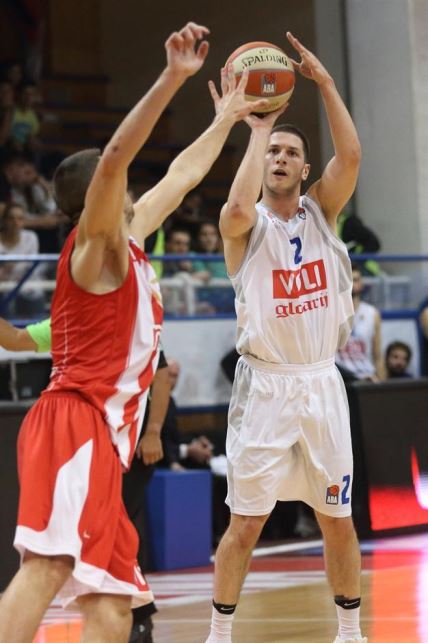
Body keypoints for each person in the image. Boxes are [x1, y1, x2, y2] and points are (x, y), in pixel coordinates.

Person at [0, 21, 268, 643]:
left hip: (99, 435)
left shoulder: (130, 237)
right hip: (75, 421)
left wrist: (229, 117)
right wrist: (173, 77)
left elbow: (180, 175)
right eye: (113, 181)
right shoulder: (94, 249)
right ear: (99, 192)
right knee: (47, 567)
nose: (126, 185)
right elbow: (119, 158)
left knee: (114, 603)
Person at [205, 32, 366, 643]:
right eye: (272, 150)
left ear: (303, 167)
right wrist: (253, 126)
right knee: (246, 522)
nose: (279, 157)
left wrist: (325, 85)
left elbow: (349, 159)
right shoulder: (242, 227)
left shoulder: (322, 211)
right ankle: (219, 635)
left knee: (338, 519)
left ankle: (349, 632)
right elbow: (237, 206)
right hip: (266, 387)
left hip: (321, 383)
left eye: (289, 151)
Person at [336, 263, 384, 382]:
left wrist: (381, 382)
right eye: (348, 280)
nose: (352, 284)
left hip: (367, 376)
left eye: (356, 280)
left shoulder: (372, 313)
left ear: (361, 284)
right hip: (342, 379)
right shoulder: (331, 313)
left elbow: (377, 355)